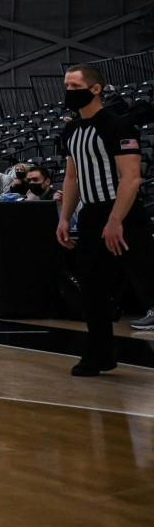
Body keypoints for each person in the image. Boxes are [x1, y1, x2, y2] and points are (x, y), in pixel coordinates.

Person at [56, 64, 154, 374]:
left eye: (75, 87)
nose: (69, 92)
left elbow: (131, 178)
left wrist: (115, 220)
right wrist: (64, 218)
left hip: (125, 214)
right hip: (91, 215)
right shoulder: (71, 130)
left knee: (146, 280)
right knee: (92, 290)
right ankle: (99, 355)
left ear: (96, 89)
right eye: (67, 87)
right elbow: (72, 177)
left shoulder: (117, 125)